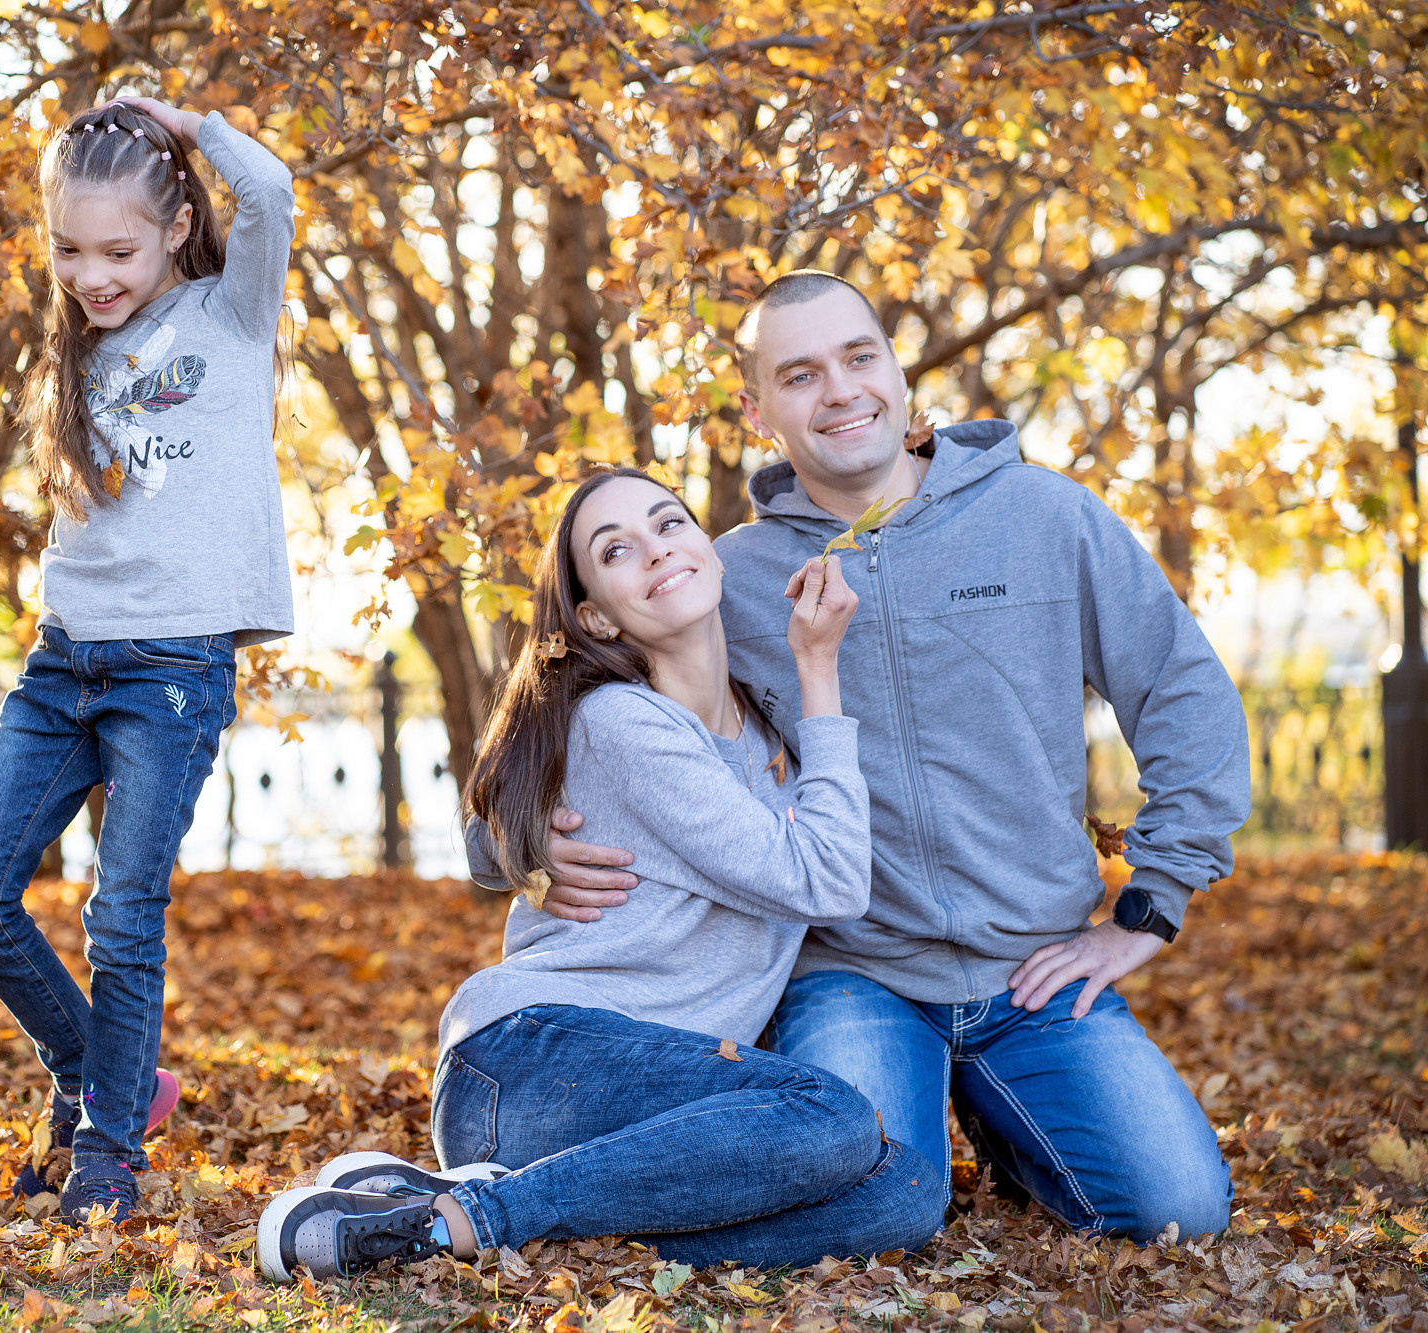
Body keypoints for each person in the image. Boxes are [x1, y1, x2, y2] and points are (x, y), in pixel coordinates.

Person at [520, 272, 1250, 1242]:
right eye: (800, 374)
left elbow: (1183, 691)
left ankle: (1007, 1116)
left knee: (1178, 1213)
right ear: (757, 409)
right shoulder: (723, 576)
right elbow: (559, 716)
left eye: (859, 357)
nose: (840, 390)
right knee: (878, 1213)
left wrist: (1149, 905)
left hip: (1029, 966)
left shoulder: (1041, 517)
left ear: (896, 370)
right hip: (849, 972)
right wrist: (522, 846)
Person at [256, 469, 945, 1281]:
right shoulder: (624, 719)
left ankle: (480, 1215)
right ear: (595, 615)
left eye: (669, 523)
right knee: (829, 1115)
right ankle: (480, 1216)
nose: (656, 550)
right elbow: (827, 881)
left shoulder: (765, 735)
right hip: (533, 1058)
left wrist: (514, 843)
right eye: (617, 549)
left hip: (648, 1108)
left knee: (907, 1191)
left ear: (712, 555)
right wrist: (818, 668)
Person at [0, 95, 295, 1224]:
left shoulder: (228, 316)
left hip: (171, 672)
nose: (92, 275)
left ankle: (105, 1154)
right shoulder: (74, 348)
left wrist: (192, 122)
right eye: (69, 250)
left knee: (122, 914)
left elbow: (270, 192)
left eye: (118, 250)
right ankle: (109, 1080)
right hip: (60, 664)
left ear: (177, 224)